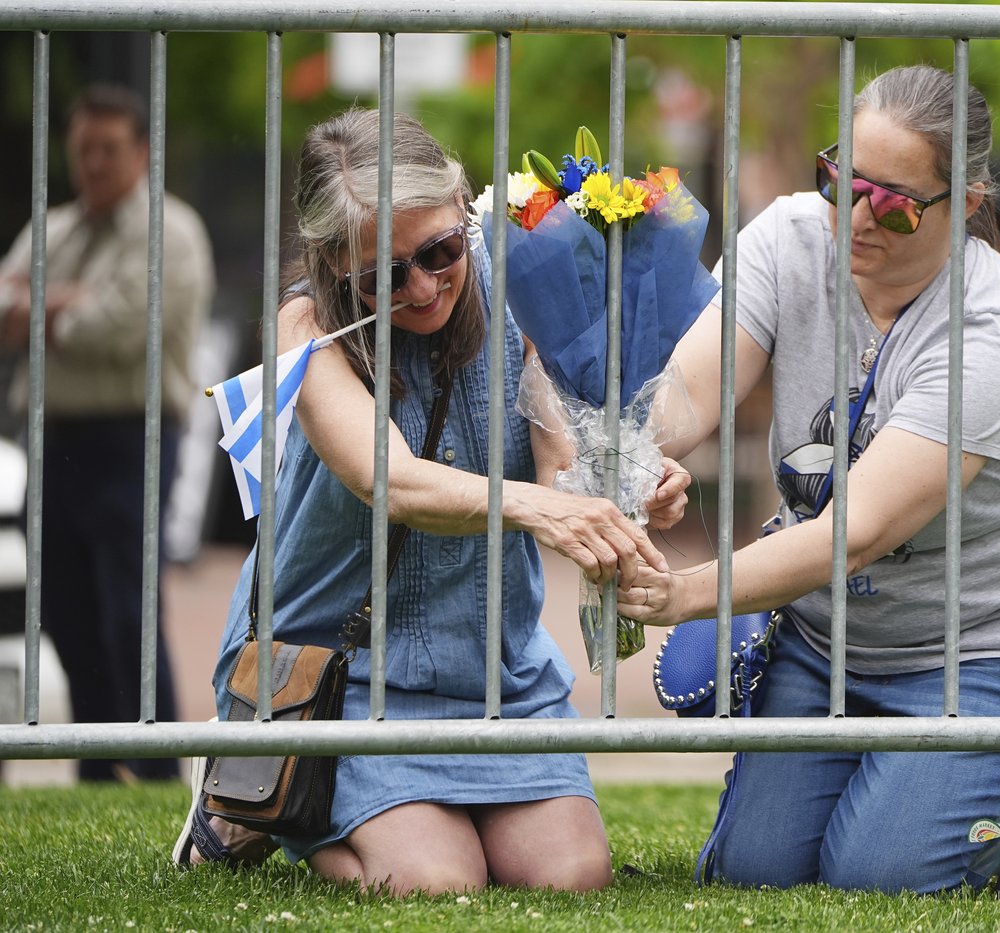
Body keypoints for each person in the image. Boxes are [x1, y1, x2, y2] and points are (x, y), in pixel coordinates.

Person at [618, 64, 1000, 894]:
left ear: (969, 203)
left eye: (893, 204)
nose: (854, 218)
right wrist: (641, 456)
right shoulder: (785, 236)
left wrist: (684, 593)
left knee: (876, 874)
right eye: (840, 180)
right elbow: (692, 392)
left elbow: (855, 534)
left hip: (991, 647)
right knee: (756, 873)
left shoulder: (991, 332)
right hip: (828, 640)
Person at [170, 109, 687, 896]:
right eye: (383, 275)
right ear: (334, 264)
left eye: (441, 251)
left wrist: (624, 487)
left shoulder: (523, 283)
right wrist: (543, 511)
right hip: (340, 676)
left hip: (494, 672)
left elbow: (559, 465)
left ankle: (300, 803)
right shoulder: (304, 325)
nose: (423, 285)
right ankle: (254, 806)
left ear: (462, 203)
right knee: (438, 881)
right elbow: (391, 480)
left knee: (571, 875)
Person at [0, 84, 213, 782]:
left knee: (129, 608)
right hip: (53, 438)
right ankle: (98, 766)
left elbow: (120, 329)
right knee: (65, 607)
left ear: (142, 152)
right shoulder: (54, 227)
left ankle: (153, 769)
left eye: (108, 149)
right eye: (82, 149)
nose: (91, 163)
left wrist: (43, 309)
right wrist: (59, 306)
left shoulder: (170, 230)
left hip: (133, 438)